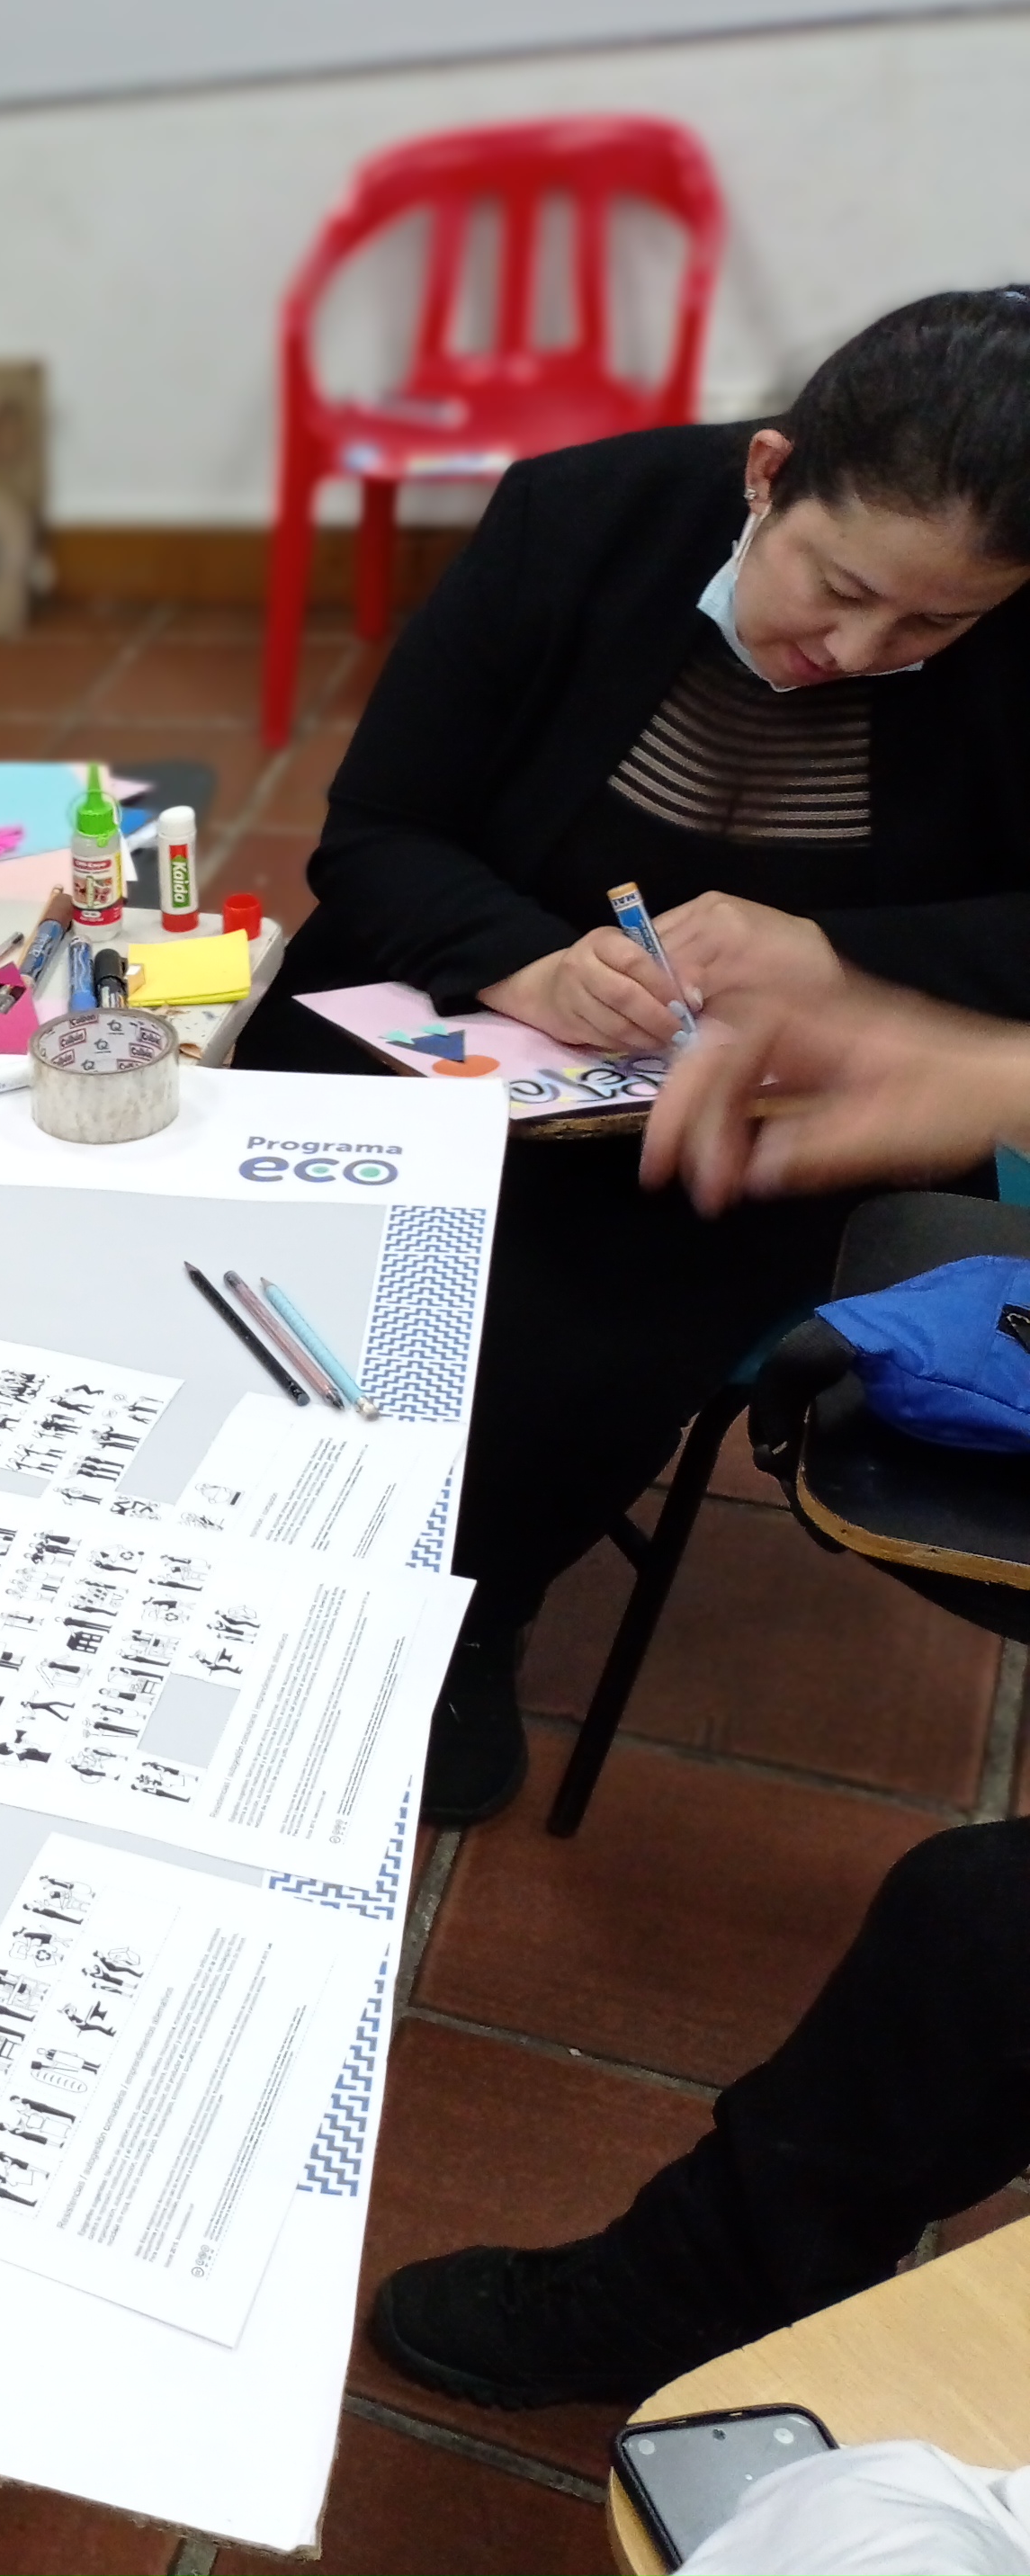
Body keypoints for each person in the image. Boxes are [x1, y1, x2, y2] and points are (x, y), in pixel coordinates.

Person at [242, 291, 1030, 1827]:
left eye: (937, 625)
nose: (859, 652)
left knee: (563, 1329)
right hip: (457, 1012)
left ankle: (465, 1616)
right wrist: (527, 959)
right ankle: (252, 1538)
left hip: (781, 1103)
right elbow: (380, 833)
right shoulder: (580, 523)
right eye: (842, 585)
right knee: (261, 1234)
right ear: (768, 474)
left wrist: (840, 958)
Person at [370, 979, 1030, 2409]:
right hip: (611, 1074)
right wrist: (991, 1076)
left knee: (978, 1924)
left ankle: (695, 2298)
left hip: (753, 1144)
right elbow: (382, 846)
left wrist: (885, 986)